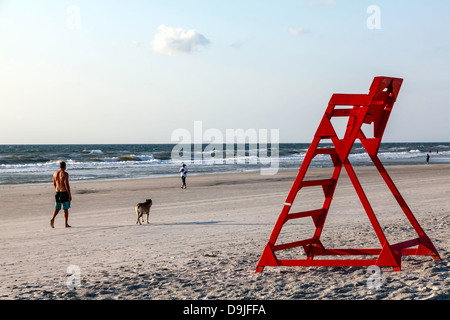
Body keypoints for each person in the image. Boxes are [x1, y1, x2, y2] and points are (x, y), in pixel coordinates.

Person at [50, 161, 72, 228]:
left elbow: (54, 183)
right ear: (65, 166)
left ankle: (53, 219)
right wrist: (69, 194)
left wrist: (57, 190)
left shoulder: (55, 174)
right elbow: (66, 184)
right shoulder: (65, 174)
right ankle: (66, 224)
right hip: (64, 192)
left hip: (58, 192)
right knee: (65, 209)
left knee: (57, 208)